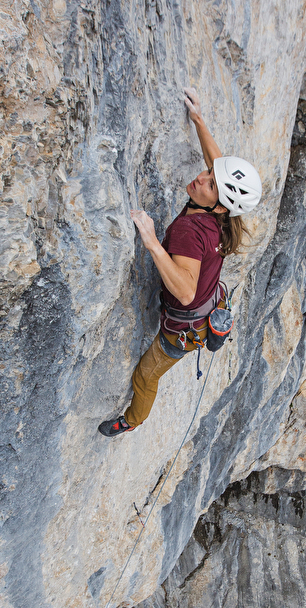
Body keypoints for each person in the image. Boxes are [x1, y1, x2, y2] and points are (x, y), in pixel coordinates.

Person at [98, 88, 262, 437]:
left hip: (183, 331)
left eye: (210, 184)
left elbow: (186, 292)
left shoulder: (190, 230)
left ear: (219, 206)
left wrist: (153, 243)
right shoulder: (223, 214)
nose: (201, 179)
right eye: (207, 174)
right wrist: (198, 119)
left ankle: (131, 421)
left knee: (146, 374)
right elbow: (215, 163)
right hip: (208, 307)